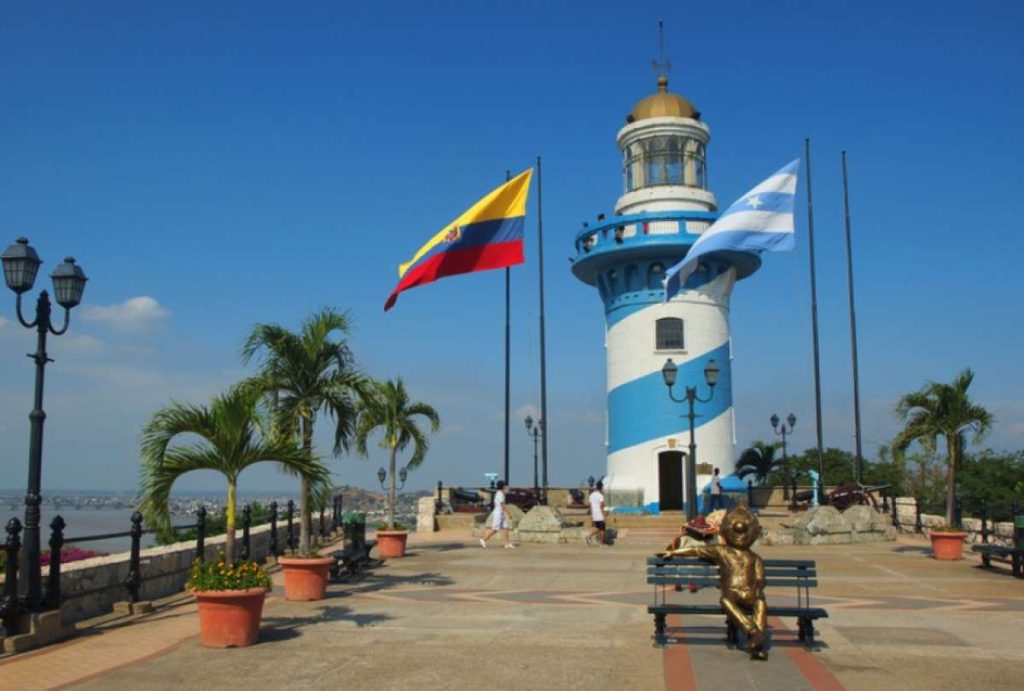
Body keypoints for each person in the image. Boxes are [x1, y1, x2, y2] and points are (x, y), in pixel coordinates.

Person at [480, 480, 515, 549]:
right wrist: (509, 513)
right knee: (495, 529)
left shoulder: (500, 493)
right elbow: (502, 505)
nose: (505, 487)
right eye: (505, 485)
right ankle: (483, 539)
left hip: (500, 513)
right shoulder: (500, 494)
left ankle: (507, 544)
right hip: (498, 514)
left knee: (505, 528)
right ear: (503, 486)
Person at [586, 481, 607, 546]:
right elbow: (602, 506)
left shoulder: (591, 495)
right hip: (600, 515)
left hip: (594, 514)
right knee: (602, 529)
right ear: (601, 487)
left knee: (597, 528)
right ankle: (601, 543)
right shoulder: (600, 496)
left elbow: (590, 506)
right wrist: (604, 515)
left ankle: (589, 537)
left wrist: (592, 515)